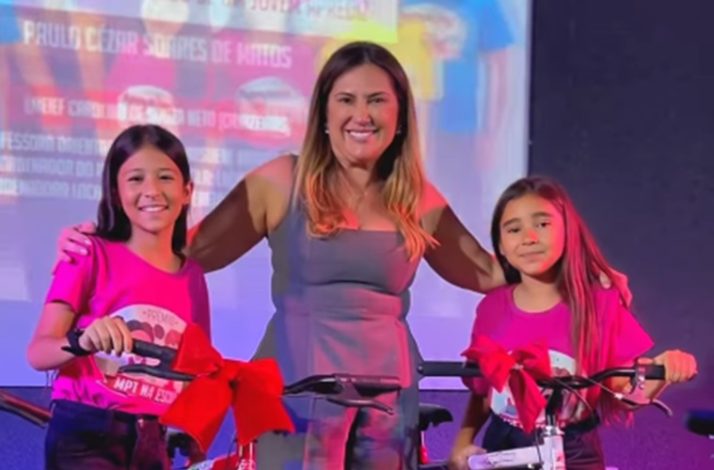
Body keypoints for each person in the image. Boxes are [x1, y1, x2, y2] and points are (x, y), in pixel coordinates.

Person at [54, 42, 621, 469]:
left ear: (400, 116)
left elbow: (492, 272)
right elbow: (183, 251)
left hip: (389, 394)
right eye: (346, 100)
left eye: (377, 100)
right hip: (295, 387)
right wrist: (98, 245)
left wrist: (585, 271)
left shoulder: (416, 198)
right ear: (323, 114)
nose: (361, 114)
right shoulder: (281, 179)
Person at [448, 176, 698, 470]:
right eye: (514, 229)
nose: (529, 237)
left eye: (543, 224)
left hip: (575, 449)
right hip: (504, 446)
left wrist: (665, 368)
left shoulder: (600, 303)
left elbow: (623, 392)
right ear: (500, 246)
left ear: (568, 230)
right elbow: (483, 391)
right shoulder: (492, 308)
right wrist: (462, 442)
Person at [27, 124, 210, 470]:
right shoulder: (87, 252)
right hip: (87, 433)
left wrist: (195, 437)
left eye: (165, 177)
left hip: (155, 441)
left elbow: (196, 372)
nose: (151, 190)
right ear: (116, 191)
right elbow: (38, 354)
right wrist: (83, 340)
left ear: (187, 191)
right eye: (136, 179)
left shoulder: (193, 277)